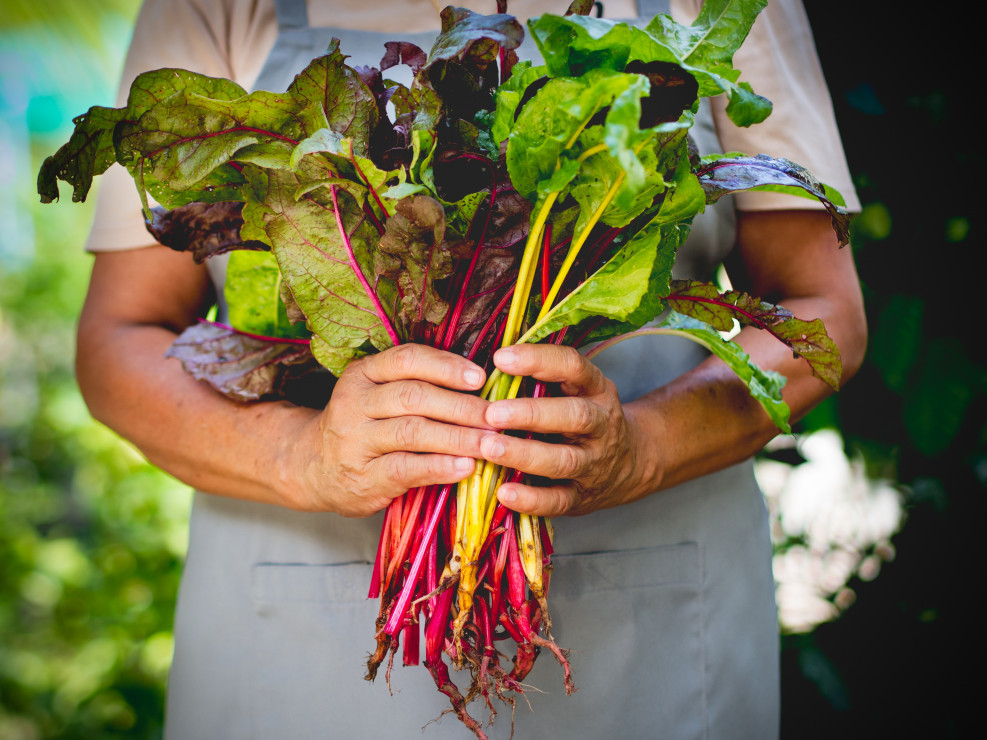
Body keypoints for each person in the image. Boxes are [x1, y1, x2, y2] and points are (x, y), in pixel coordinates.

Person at [76, 0, 866, 738]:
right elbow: (119, 341)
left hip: (653, 637)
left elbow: (822, 312)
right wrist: (301, 458)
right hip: (294, 646)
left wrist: (645, 446)